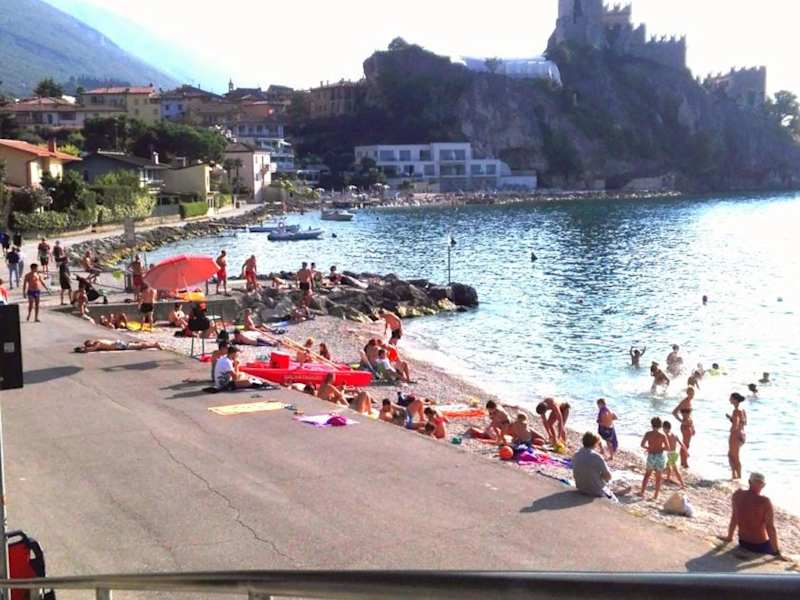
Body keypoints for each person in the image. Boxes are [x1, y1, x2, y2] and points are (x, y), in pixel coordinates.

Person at [720, 472, 784, 558]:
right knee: (780, 549)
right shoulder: (764, 501)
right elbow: (770, 527)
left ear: (749, 482)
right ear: (763, 485)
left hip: (743, 542)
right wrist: (776, 553)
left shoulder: (737, 495)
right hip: (760, 545)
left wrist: (729, 537)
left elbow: (734, 517)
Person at [573, 432, 614, 499]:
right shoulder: (596, 456)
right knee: (612, 496)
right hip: (595, 491)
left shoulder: (576, 454)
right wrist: (602, 476)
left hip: (581, 488)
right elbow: (608, 476)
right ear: (595, 443)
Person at [639, 417, 670, 500]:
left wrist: (648, 447)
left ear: (651, 424)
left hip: (651, 455)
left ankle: (642, 492)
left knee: (647, 474)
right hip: (660, 456)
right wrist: (660, 448)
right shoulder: (662, 435)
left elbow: (642, 444)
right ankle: (655, 495)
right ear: (661, 425)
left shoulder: (648, 434)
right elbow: (668, 448)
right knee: (658, 477)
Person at [672, 387, 696, 469]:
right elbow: (674, 412)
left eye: (693, 393)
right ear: (687, 393)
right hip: (685, 426)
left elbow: (690, 416)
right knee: (685, 444)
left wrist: (693, 427)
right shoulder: (684, 402)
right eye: (690, 393)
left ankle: (683, 462)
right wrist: (681, 421)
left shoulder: (689, 402)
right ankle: (684, 462)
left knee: (686, 444)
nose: (692, 395)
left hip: (689, 425)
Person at [727, 392, 748, 480]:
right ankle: (737, 476)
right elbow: (744, 423)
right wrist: (731, 419)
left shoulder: (736, 411)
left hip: (736, 434)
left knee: (732, 456)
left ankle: (736, 476)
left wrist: (731, 430)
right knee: (735, 456)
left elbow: (736, 424)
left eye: (731, 398)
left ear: (735, 400)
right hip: (742, 434)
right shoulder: (742, 410)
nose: (729, 399)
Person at [662, 421, 687, 489]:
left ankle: (682, 484)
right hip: (674, 453)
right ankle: (667, 480)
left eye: (663, 429)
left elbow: (667, 447)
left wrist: (659, 448)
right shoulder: (675, 435)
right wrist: (686, 451)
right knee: (668, 466)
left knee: (675, 470)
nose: (663, 430)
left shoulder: (667, 435)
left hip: (672, 455)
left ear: (665, 428)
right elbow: (681, 444)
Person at [75, 339, 163, 353]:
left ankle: (154, 344)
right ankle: (152, 344)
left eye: (88, 344)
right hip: (117, 344)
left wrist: (84, 350)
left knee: (139, 346)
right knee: (137, 345)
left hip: (118, 345)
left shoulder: (97, 343)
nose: (89, 345)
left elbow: (93, 349)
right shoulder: (97, 341)